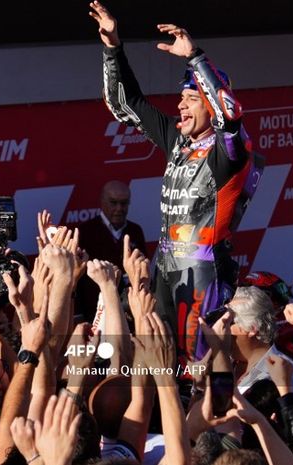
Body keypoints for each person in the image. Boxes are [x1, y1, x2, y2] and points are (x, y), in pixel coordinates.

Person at [90, 1, 263, 361]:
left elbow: (229, 115)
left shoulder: (230, 152)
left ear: (209, 104)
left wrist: (195, 57)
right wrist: (112, 48)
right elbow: (127, 104)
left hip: (203, 271)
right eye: (180, 98)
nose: (180, 107)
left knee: (198, 367)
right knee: (159, 361)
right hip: (164, 266)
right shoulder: (177, 139)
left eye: (190, 99)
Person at [75, 180, 147, 321]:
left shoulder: (135, 231)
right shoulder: (86, 232)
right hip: (94, 314)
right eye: (113, 202)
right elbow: (78, 279)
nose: (119, 208)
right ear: (102, 202)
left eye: (124, 203)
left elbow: (143, 272)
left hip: (129, 314)